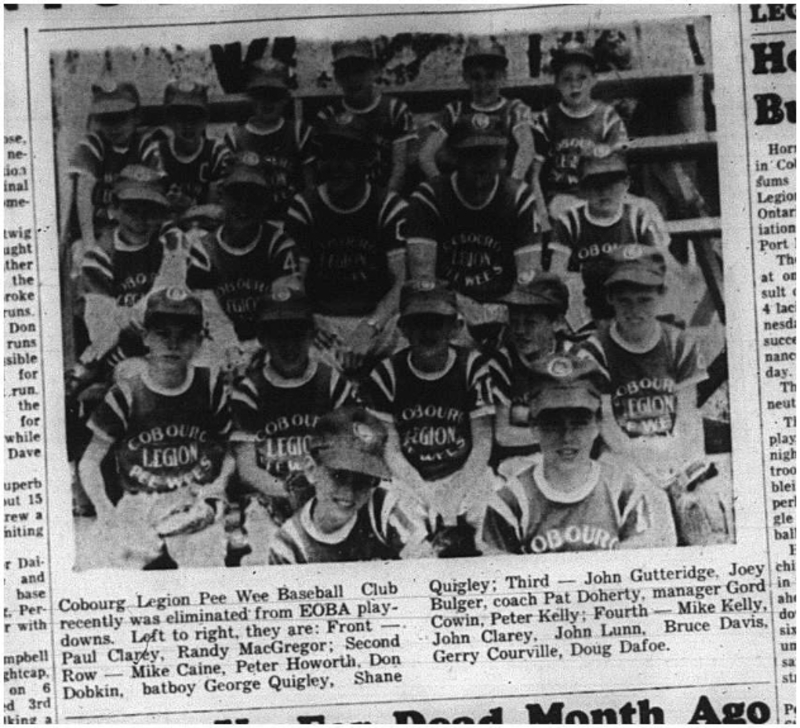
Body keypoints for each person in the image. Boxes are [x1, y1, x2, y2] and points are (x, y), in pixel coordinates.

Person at [79, 287, 232, 568]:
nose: (173, 344)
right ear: (146, 337)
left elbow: (229, 449)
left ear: (199, 341)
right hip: (139, 501)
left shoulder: (209, 386)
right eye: (162, 334)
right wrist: (105, 511)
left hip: (193, 497)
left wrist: (217, 488)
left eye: (184, 335)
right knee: (105, 569)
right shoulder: (127, 392)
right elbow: (89, 462)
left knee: (205, 569)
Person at [482, 352, 676, 554]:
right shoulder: (509, 503)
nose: (567, 436)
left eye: (579, 422)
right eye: (552, 422)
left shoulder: (624, 492)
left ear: (598, 424)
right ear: (534, 426)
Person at [228, 284, 360, 565]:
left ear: (312, 335)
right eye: (278, 335)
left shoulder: (331, 383)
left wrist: (319, 496)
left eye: (297, 333)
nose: (288, 345)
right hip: (269, 497)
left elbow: (350, 454)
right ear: (262, 339)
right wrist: (288, 492)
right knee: (266, 558)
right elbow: (247, 469)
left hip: (325, 495)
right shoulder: (249, 391)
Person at [365, 279, 496, 554]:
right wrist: (427, 495)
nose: (427, 331)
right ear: (402, 328)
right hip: (410, 479)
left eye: (437, 322)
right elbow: (391, 452)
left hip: (464, 473)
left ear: (455, 327)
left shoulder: (471, 366)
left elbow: (483, 443)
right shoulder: (386, 374)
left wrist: (453, 494)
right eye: (417, 323)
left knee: (494, 508)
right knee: (391, 510)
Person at [285, 113, 408, 375]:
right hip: (323, 321)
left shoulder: (388, 205)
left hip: (376, 318)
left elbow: (402, 281)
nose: (336, 166)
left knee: (412, 329)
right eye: (329, 155)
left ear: (367, 159)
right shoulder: (305, 205)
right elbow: (294, 279)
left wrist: (371, 326)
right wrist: (309, 317)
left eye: (347, 156)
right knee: (291, 337)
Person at [407, 113, 540, 347]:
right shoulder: (430, 196)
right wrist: (463, 305)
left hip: (502, 304)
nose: (481, 163)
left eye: (489, 154)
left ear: (502, 157)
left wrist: (500, 312)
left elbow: (528, 277)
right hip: (445, 304)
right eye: (471, 154)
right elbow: (422, 277)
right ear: (455, 156)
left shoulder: (518, 196)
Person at [577, 247, 708, 484]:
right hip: (622, 452)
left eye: (644, 300)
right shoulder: (594, 351)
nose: (634, 311)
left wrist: (676, 462)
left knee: (703, 492)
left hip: (674, 447)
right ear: (610, 298)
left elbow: (688, 414)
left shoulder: (679, 343)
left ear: (662, 294)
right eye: (624, 301)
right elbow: (606, 424)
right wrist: (647, 466)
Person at [267, 408, 426, 564]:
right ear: (311, 470)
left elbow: (428, 566)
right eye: (338, 475)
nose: (349, 492)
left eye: (363, 479)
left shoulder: (382, 509)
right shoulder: (289, 546)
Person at [187, 153, 302, 354]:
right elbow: (210, 316)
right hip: (221, 343)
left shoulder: (278, 245)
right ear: (222, 195)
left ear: (266, 201)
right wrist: (233, 351)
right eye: (236, 194)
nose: (244, 204)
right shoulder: (203, 249)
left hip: (269, 341)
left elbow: (285, 307)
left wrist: (258, 348)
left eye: (254, 196)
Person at [545, 149, 665, 327]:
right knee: (570, 284)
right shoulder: (570, 221)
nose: (604, 191)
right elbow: (557, 273)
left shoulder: (638, 217)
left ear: (626, 184)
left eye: (612, 183)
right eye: (594, 184)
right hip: (587, 300)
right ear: (582, 187)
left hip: (628, 294)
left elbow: (660, 266)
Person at [532, 41, 628, 222]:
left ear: (594, 80)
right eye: (567, 79)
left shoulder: (607, 116)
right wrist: (542, 215)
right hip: (563, 195)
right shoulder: (548, 118)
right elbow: (534, 174)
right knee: (576, 212)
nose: (575, 85)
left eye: (582, 77)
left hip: (602, 192)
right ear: (556, 83)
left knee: (647, 207)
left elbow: (618, 167)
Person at [489, 273, 576, 469]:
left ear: (557, 323)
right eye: (514, 321)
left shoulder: (576, 358)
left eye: (530, 323)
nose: (520, 331)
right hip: (517, 462)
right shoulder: (502, 362)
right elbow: (503, 435)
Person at [419, 36, 535, 184]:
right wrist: (441, 185)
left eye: (491, 76)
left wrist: (514, 182)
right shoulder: (455, 111)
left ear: (503, 76)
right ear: (466, 78)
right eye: (476, 77)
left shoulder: (514, 110)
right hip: (464, 187)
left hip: (502, 185)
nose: (483, 84)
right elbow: (426, 155)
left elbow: (526, 149)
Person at [315, 38, 416, 193]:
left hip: (384, 193)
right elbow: (324, 170)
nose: (352, 79)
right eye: (345, 72)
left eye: (359, 71)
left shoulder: (394, 110)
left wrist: (386, 202)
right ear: (337, 77)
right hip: (344, 195)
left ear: (374, 72)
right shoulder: (328, 116)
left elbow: (399, 169)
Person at [67, 79, 157, 250]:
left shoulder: (144, 145)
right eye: (106, 119)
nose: (114, 126)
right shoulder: (94, 144)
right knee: (81, 255)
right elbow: (83, 194)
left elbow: (153, 193)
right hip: (96, 228)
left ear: (136, 117)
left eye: (121, 118)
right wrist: (89, 244)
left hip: (131, 229)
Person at [224, 60, 313, 215]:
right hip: (252, 218)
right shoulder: (236, 136)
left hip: (290, 216)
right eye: (260, 95)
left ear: (285, 98)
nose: (267, 102)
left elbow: (309, 185)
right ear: (251, 98)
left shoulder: (298, 131)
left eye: (274, 96)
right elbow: (229, 191)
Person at [147, 79, 231, 213]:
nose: (188, 125)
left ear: (205, 119)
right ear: (169, 120)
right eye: (180, 117)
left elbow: (219, 206)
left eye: (195, 117)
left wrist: (191, 206)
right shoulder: (157, 152)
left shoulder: (217, 153)